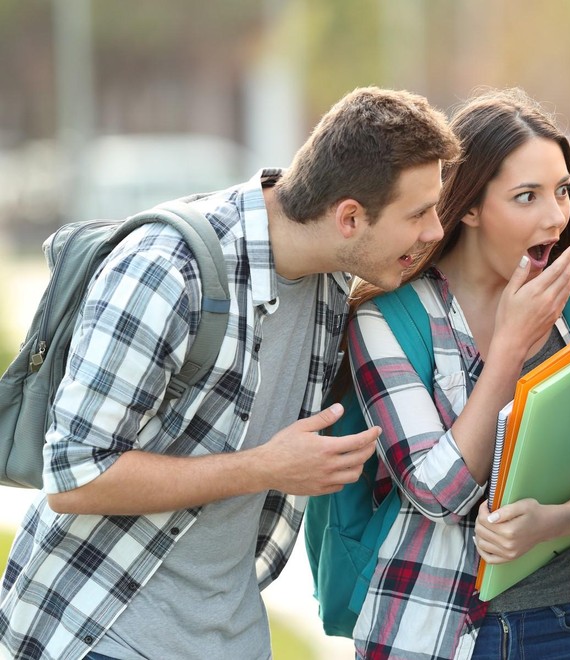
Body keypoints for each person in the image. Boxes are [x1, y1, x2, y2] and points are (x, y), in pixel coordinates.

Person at [0, 86, 460, 660]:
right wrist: (265, 468)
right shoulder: (169, 270)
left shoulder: (331, 280)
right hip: (106, 629)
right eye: (418, 213)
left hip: (231, 636)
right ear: (348, 217)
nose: (435, 231)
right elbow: (74, 475)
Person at [343, 88, 570, 660]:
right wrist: (509, 349)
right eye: (526, 196)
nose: (555, 216)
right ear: (468, 206)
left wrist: (556, 522)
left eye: (562, 191)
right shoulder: (387, 319)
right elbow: (440, 492)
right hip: (440, 629)